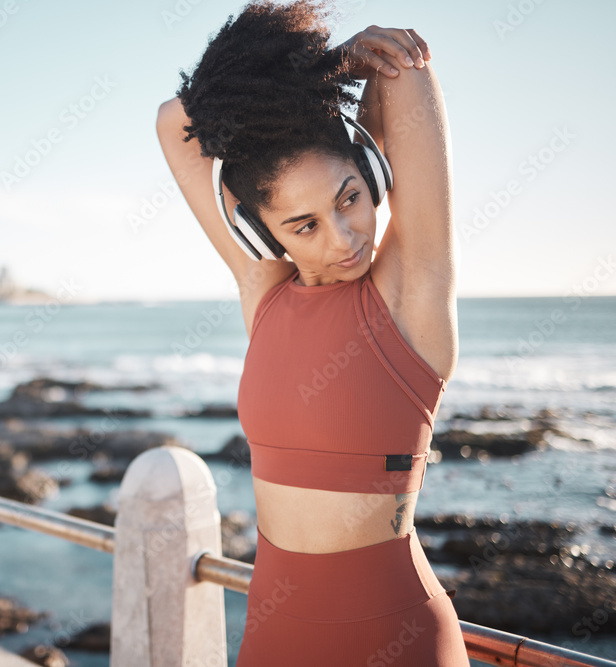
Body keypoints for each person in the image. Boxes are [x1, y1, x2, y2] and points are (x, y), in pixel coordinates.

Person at [155, 1, 469, 664]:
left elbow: (407, 71)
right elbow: (174, 122)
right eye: (304, 226)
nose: (346, 234)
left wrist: (339, 65)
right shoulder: (262, 291)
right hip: (273, 637)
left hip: (398, 639)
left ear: (374, 175)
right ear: (259, 233)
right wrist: (311, 73)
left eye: (349, 197)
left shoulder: (412, 294)